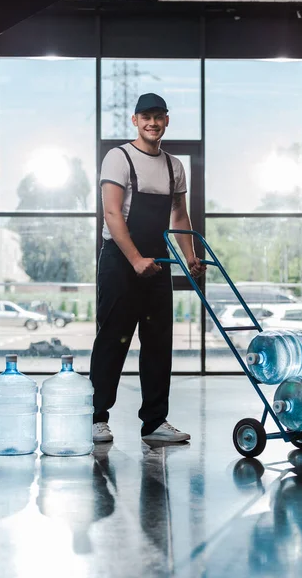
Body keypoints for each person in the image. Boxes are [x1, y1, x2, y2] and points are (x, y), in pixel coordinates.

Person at [90, 93, 205, 444]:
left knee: (158, 344)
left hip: (157, 263)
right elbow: (111, 213)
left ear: (167, 120)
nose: (152, 123)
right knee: (113, 340)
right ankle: (95, 418)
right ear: (135, 121)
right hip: (120, 262)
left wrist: (190, 257)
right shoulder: (119, 157)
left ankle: (155, 422)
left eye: (158, 117)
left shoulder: (174, 166)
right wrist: (135, 259)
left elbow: (179, 215)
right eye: (146, 117)